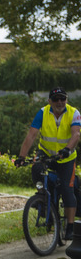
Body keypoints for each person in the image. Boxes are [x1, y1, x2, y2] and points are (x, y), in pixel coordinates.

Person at [14, 87, 81, 240]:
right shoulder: (43, 113)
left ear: (66, 100)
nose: (59, 102)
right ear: (49, 101)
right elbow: (31, 135)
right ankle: (44, 202)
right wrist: (21, 156)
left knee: (66, 188)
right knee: (36, 169)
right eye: (56, 99)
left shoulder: (74, 113)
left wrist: (67, 149)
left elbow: (76, 134)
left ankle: (70, 227)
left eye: (62, 99)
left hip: (66, 157)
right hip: (46, 153)